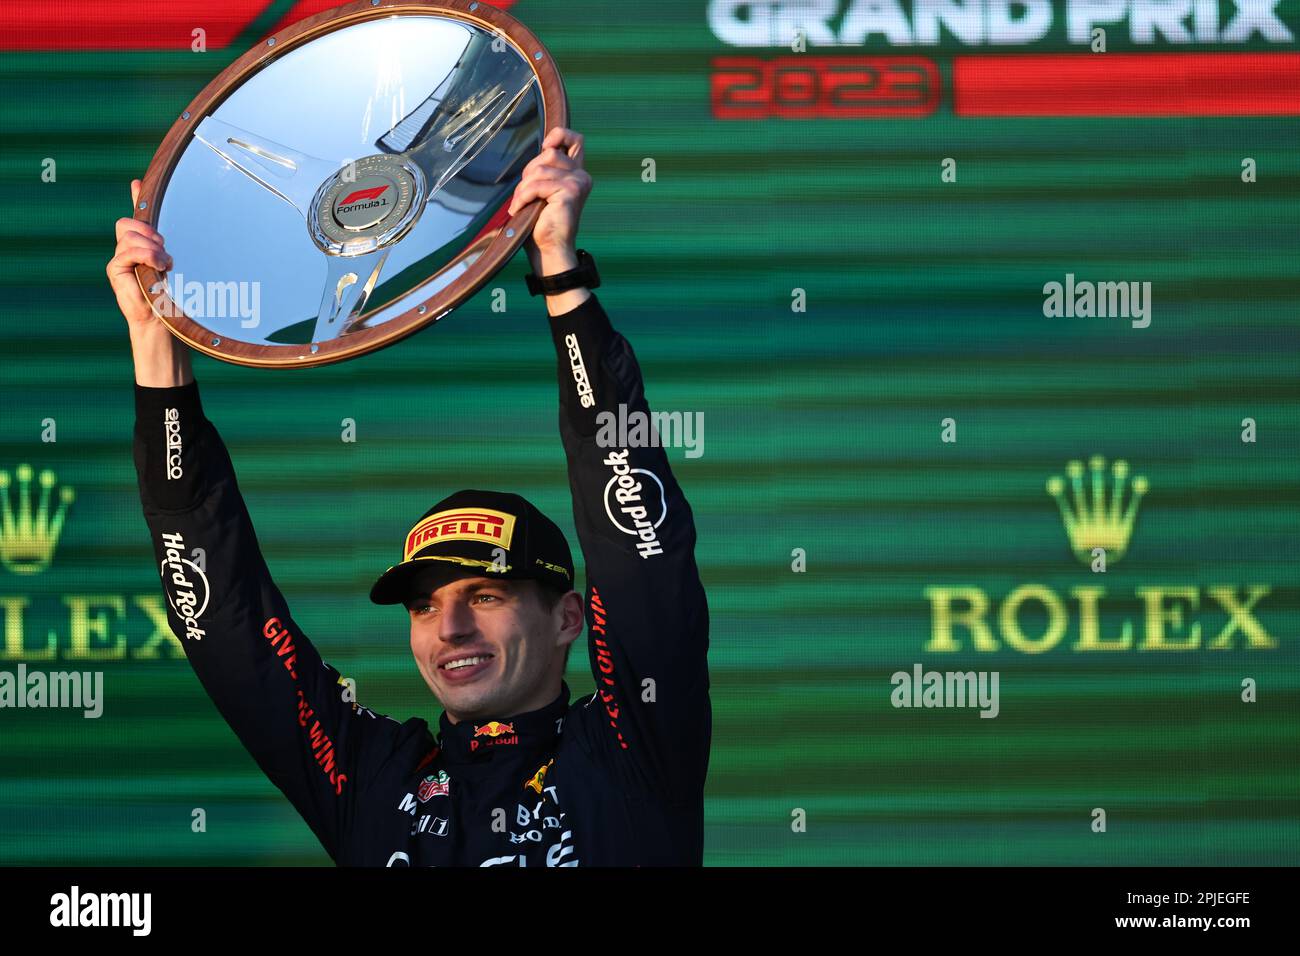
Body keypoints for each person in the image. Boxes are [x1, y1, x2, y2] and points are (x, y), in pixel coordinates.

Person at [107, 127, 711, 866]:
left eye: (484, 594)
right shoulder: (372, 778)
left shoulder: (633, 747)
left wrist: (559, 273)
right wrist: (155, 339)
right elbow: (224, 624)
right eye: (423, 603)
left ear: (567, 617)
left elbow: (638, 545)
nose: (448, 626)